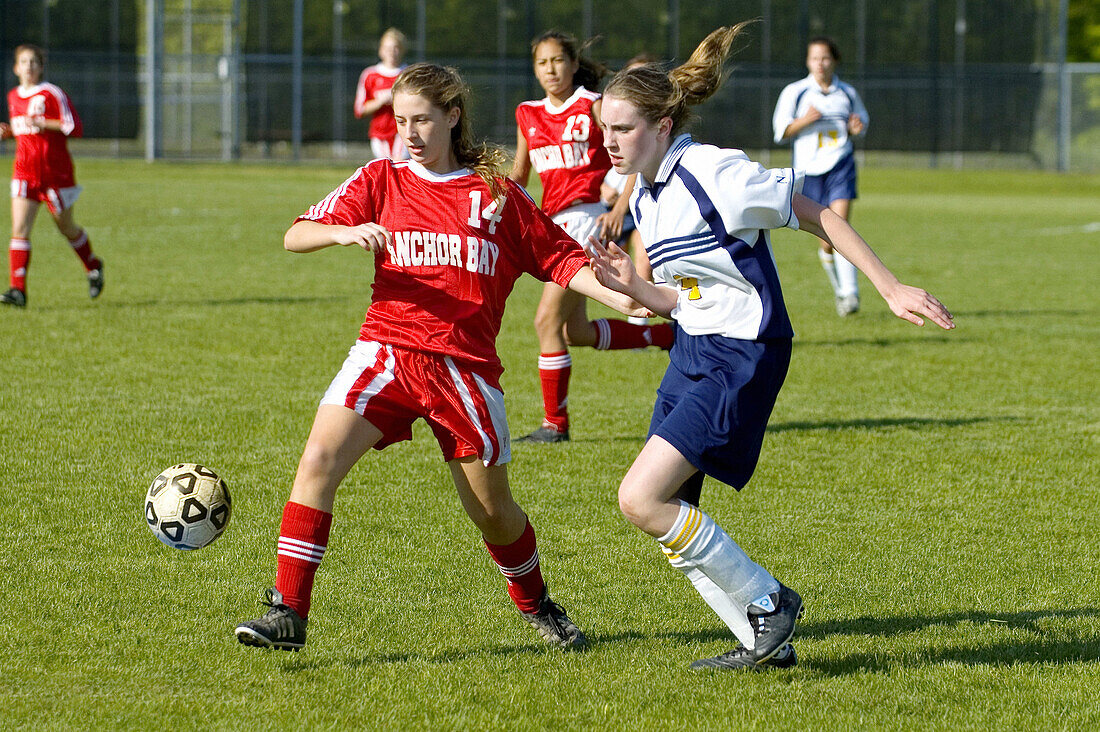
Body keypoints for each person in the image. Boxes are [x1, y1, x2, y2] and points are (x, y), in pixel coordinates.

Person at [235, 62, 647, 653]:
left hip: (464, 369)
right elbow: (295, 233)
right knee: (318, 459)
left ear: (453, 116)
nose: (410, 133)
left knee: (493, 513)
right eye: (401, 121)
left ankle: (537, 604)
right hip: (386, 351)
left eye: (422, 119)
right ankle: (287, 612)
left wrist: (635, 296)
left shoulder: (498, 196)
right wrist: (342, 233)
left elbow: (560, 260)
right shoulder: (380, 178)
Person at [587, 24, 954, 671]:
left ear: (665, 124)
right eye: (605, 128)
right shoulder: (645, 195)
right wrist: (638, 286)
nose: (608, 142)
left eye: (622, 128)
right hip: (694, 347)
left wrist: (890, 285)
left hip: (742, 352)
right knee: (671, 510)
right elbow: (689, 296)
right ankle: (766, 643)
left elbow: (816, 213)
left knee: (640, 498)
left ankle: (769, 601)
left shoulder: (713, 173)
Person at [509, 31, 673, 444]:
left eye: (558, 61)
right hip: (554, 227)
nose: (550, 69)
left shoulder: (591, 104)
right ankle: (664, 335)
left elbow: (636, 151)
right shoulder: (527, 113)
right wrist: (492, 201)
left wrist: (619, 206)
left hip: (586, 223)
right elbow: (519, 174)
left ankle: (555, 426)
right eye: (542, 63)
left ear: (572, 63)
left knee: (545, 321)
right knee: (573, 332)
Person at [0, 44, 103, 308]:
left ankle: (93, 265)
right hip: (24, 172)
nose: (30, 66)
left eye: (34, 62)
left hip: (55, 174)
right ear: (16, 68)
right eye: (24, 62)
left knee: (66, 227)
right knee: (19, 230)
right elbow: (23, 131)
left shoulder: (52, 93)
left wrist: (44, 122)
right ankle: (18, 290)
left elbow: (74, 127)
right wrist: (9, 132)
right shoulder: (13, 96)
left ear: (41, 67)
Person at [773, 36, 869, 317]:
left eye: (825, 58)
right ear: (808, 62)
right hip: (809, 172)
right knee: (827, 239)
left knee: (841, 225)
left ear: (834, 60)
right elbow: (780, 131)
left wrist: (855, 127)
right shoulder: (796, 92)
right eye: (814, 58)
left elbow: (860, 122)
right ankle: (840, 288)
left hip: (841, 165)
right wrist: (806, 120)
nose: (820, 64)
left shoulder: (847, 93)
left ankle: (850, 293)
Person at [354, 28, 410, 161]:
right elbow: (359, 110)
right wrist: (379, 101)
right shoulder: (370, 75)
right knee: (385, 168)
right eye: (387, 48)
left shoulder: (408, 74)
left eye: (396, 48)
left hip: (402, 132)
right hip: (379, 134)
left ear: (402, 50)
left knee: (399, 164)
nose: (391, 52)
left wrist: (397, 99)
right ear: (380, 49)